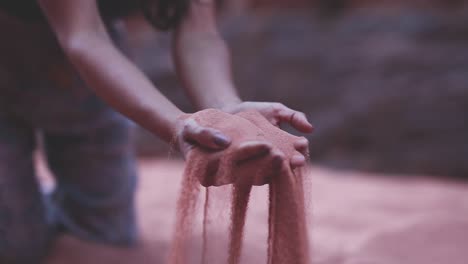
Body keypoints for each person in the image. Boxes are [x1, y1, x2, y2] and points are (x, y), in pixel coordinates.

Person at [0, 0, 313, 263]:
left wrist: (227, 107)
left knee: (104, 232)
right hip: (35, 45)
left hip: (92, 74)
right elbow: (82, 35)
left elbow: (198, 33)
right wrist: (174, 123)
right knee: (16, 244)